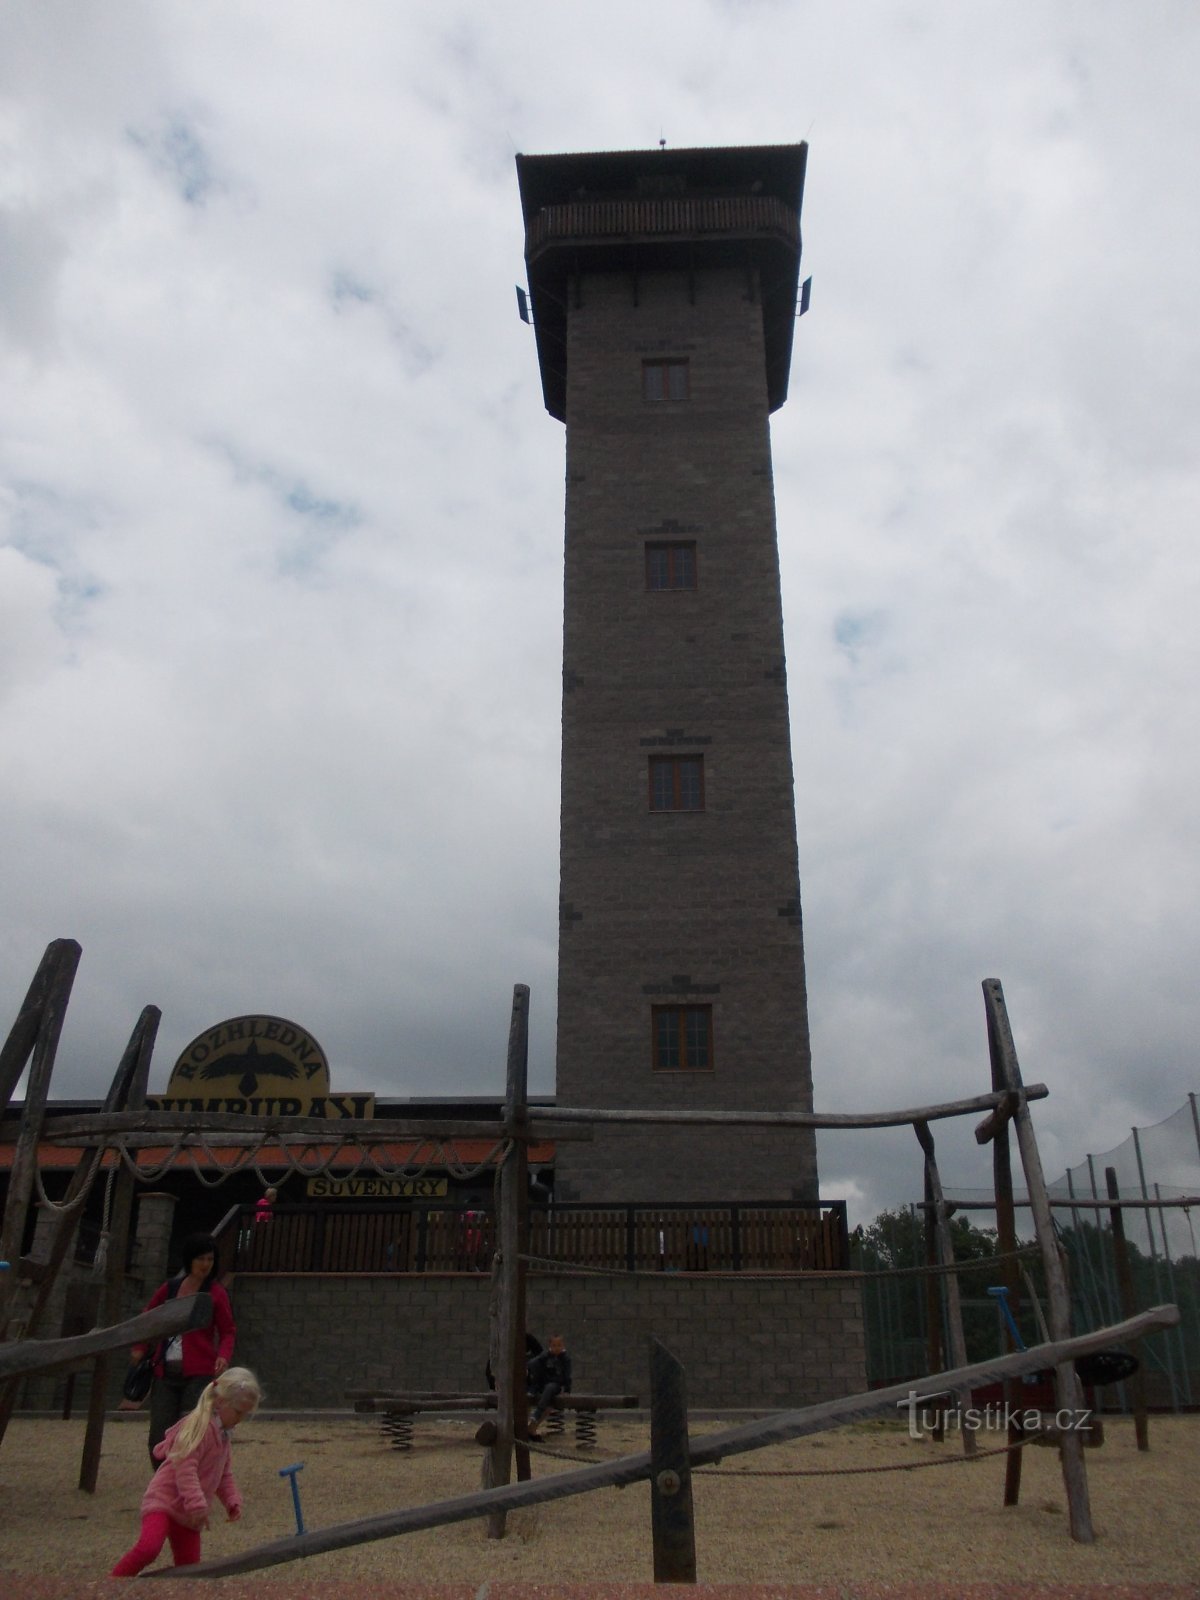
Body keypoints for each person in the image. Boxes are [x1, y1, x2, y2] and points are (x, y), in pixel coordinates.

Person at [109, 1367, 261, 1577]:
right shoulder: (200, 1428)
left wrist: (231, 1500)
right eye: (238, 1412)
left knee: (190, 1571)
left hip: (188, 1514)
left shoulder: (223, 1436)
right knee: (148, 1549)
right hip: (164, 1501)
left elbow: (223, 1474)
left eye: (244, 1414)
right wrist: (198, 1504)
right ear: (220, 1402)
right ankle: (110, 1585)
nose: (240, 1419)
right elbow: (185, 1468)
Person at [127, 1232, 237, 1467]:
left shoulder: (216, 1293)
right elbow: (149, 1317)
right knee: (159, 1433)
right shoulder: (170, 1288)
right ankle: (162, 1482)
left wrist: (223, 1356)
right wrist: (140, 1346)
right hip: (165, 1371)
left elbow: (228, 1330)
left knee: (190, 1431)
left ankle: (186, 1481)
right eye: (201, 1259)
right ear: (190, 1260)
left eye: (209, 1259)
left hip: (199, 1372)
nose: (205, 1264)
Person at [526, 1333, 572, 1438]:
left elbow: (567, 1375)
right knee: (537, 1386)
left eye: (559, 1345)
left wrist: (567, 1390)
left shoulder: (565, 1359)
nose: (556, 1348)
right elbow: (533, 1363)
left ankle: (537, 1413)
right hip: (544, 1382)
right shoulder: (546, 1356)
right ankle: (532, 1391)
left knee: (549, 1389)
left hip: (555, 1385)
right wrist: (529, 1369)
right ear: (550, 1346)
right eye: (554, 1346)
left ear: (563, 1346)